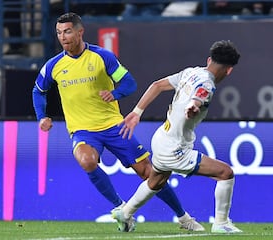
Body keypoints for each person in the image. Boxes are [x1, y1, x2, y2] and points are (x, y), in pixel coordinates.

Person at [32, 12, 204, 232]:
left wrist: (115, 94)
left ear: (79, 31)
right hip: (83, 131)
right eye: (58, 33)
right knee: (86, 160)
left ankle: (184, 218)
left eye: (67, 31)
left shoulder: (103, 56)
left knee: (149, 173)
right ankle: (122, 209)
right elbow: (38, 91)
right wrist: (42, 116)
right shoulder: (53, 65)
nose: (63, 37)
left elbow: (129, 83)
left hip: (114, 126)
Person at [112, 40, 242, 234]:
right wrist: (194, 106)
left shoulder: (191, 72)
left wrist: (137, 112)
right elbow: (200, 96)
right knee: (225, 174)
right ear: (229, 70)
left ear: (209, 60)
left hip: (161, 138)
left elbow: (157, 85)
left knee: (156, 181)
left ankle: (126, 212)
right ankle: (221, 223)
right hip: (175, 149)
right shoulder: (208, 83)